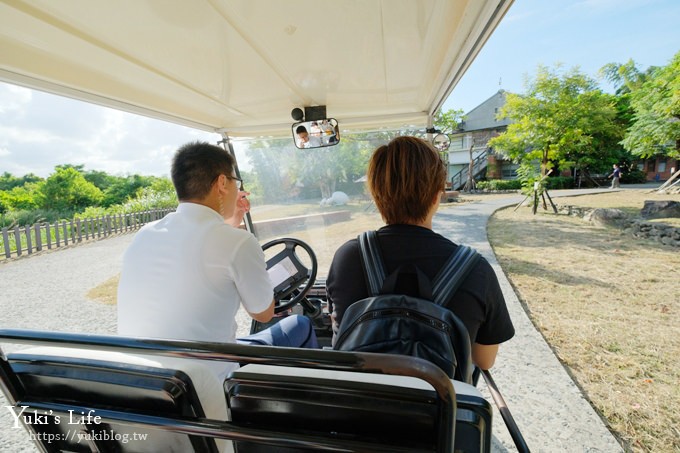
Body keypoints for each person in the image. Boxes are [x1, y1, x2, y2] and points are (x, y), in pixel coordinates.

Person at [117, 141, 318, 381]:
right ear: (222, 183)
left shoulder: (145, 234)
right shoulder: (238, 242)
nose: (237, 188)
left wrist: (233, 218)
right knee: (299, 324)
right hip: (208, 380)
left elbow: (202, 247)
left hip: (144, 377)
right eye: (235, 181)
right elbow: (263, 314)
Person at [326, 136, 514, 370]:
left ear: (375, 196)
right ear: (437, 195)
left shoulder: (348, 257)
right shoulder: (476, 270)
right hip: (439, 405)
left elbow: (338, 330)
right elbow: (484, 361)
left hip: (360, 404)